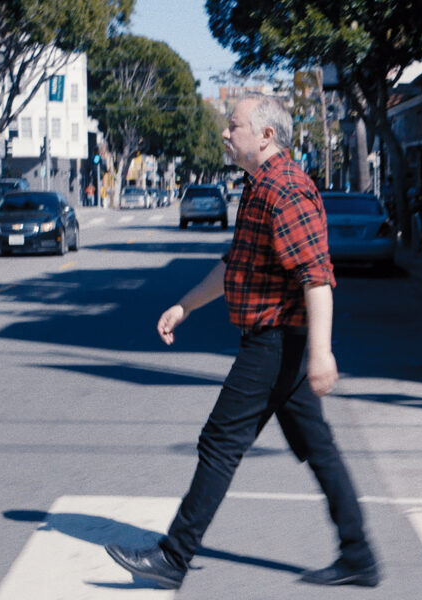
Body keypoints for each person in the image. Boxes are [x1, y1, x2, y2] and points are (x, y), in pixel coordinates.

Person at [104, 95, 379, 590]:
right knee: (318, 448)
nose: (226, 135)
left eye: (234, 127)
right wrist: (184, 306)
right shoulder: (260, 187)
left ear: (266, 136)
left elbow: (317, 278)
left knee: (220, 443)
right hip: (277, 340)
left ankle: (174, 555)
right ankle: (358, 554)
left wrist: (321, 351)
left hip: (276, 342)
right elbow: (235, 264)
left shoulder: (287, 190)